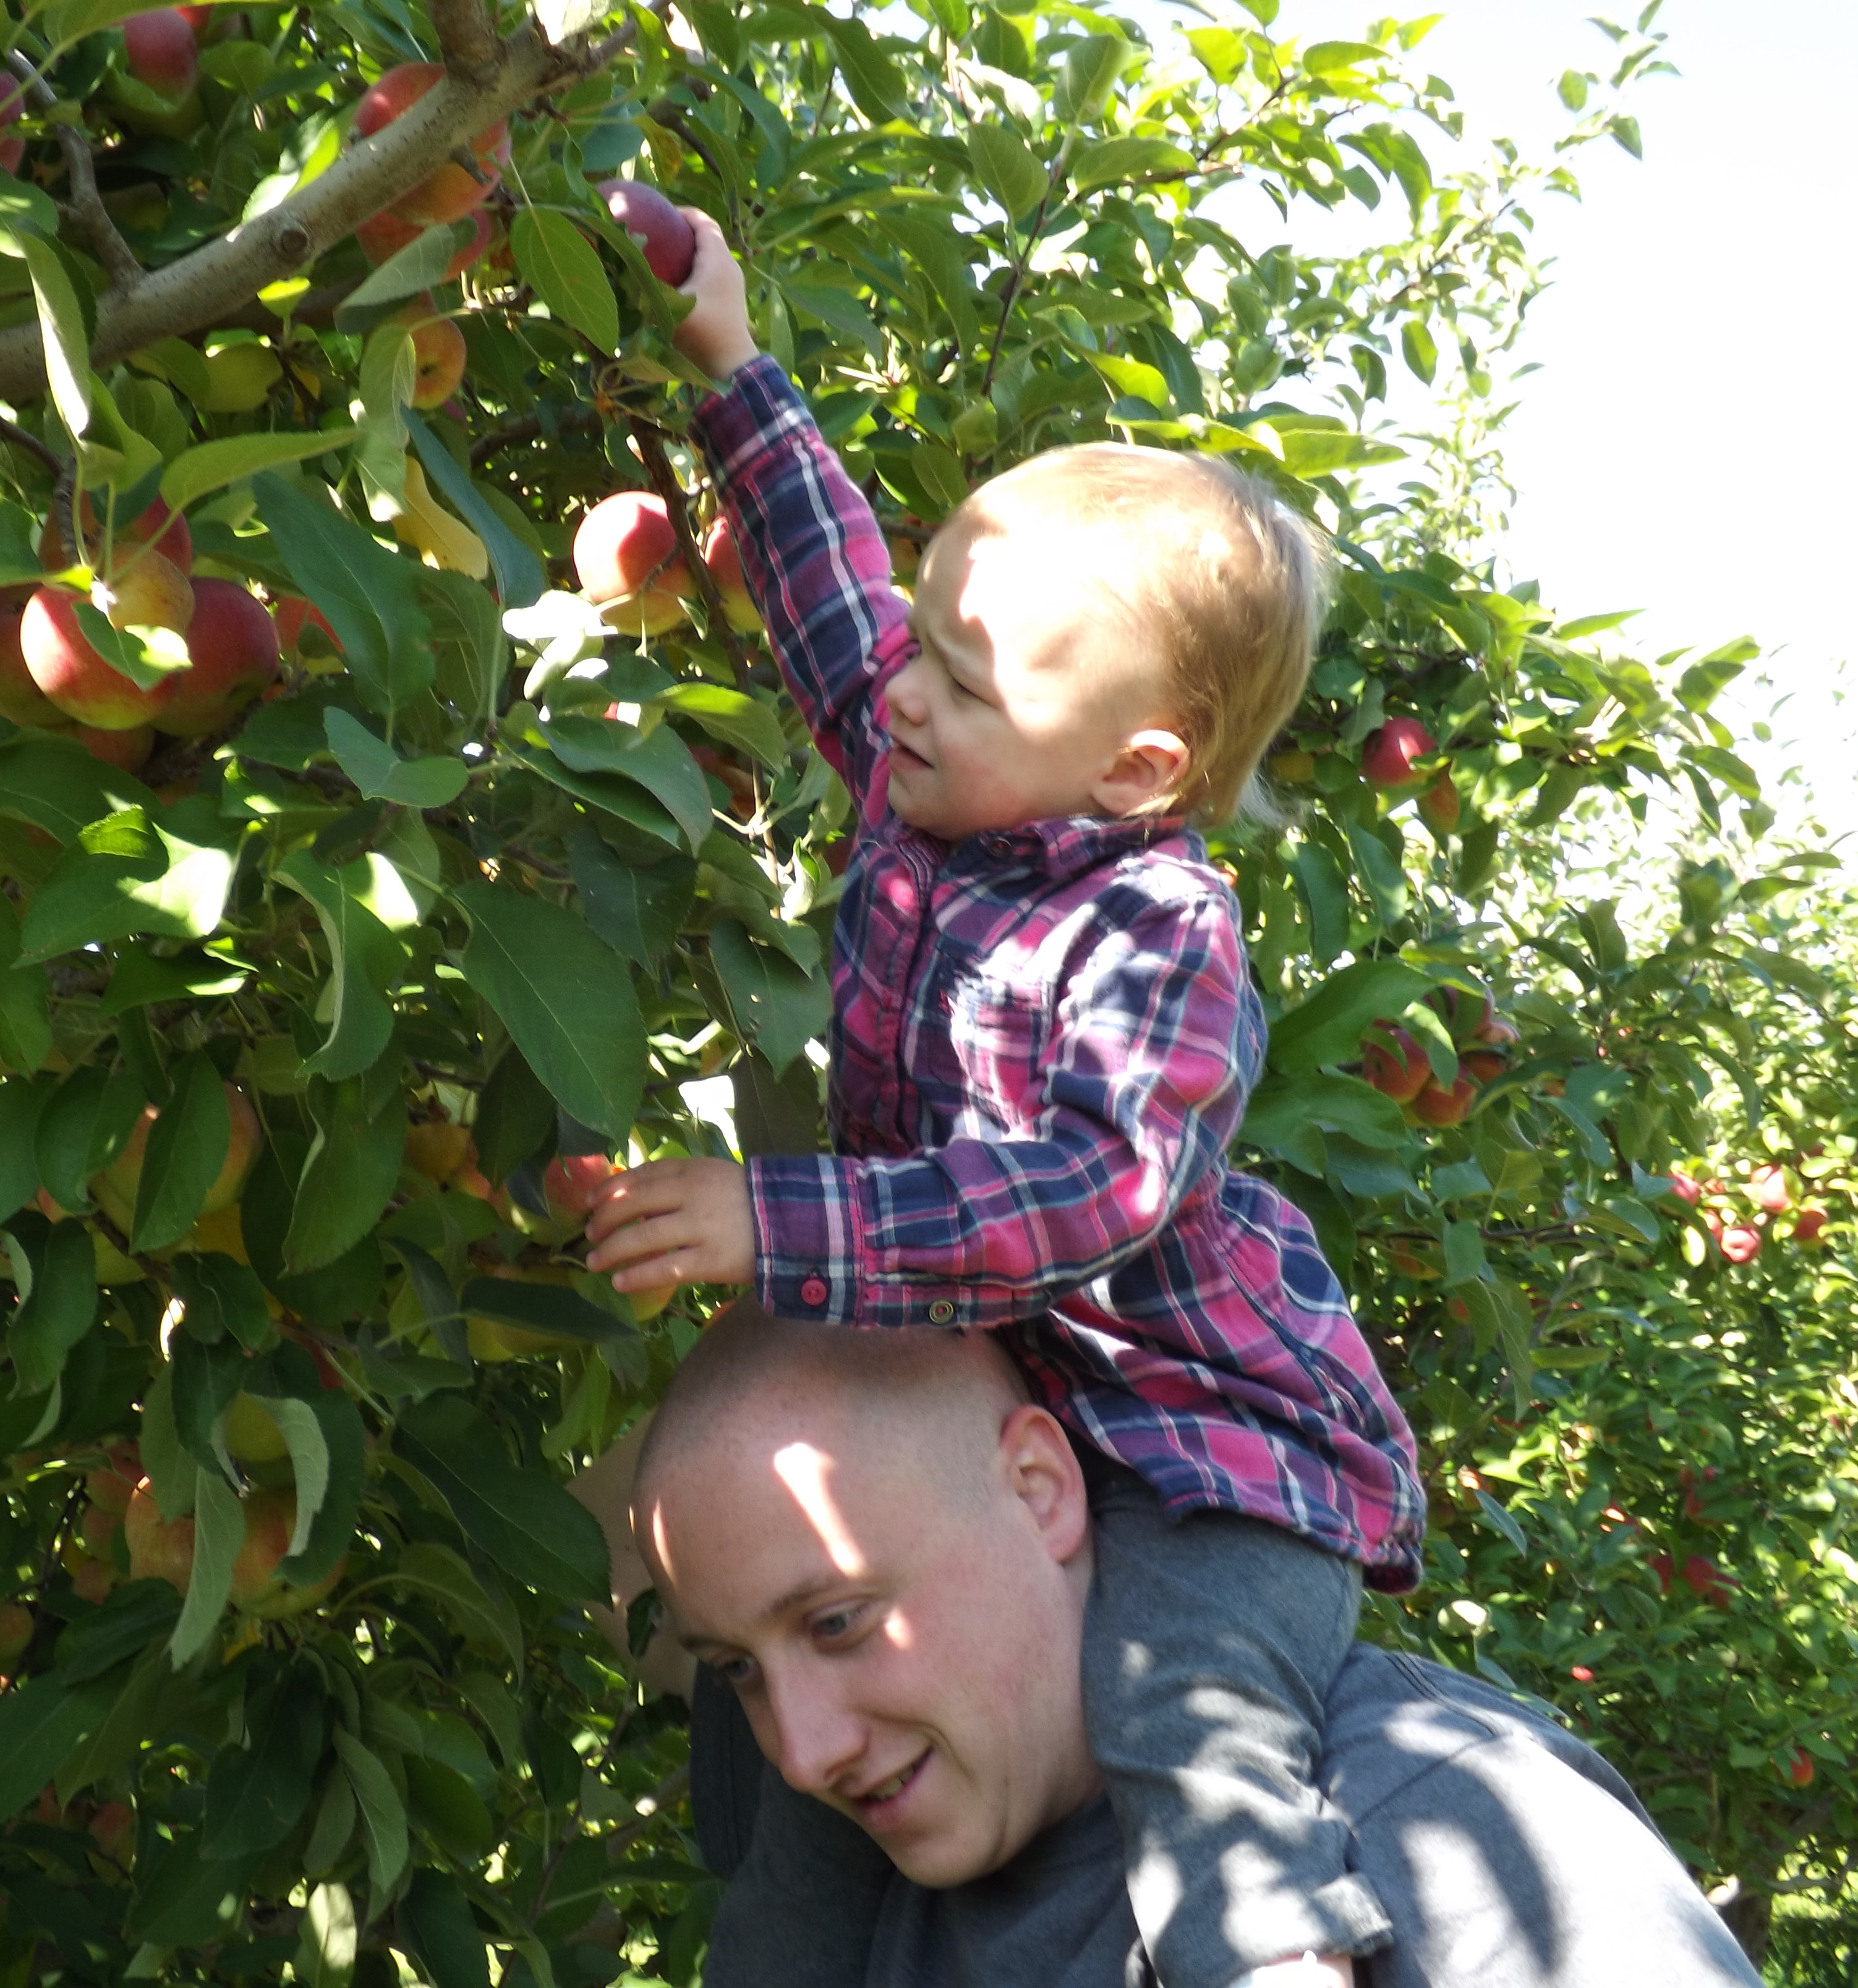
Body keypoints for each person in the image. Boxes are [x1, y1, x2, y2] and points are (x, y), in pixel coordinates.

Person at [583, 211, 1428, 1988]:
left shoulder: (1157, 927)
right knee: (789, 1842)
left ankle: (1284, 1970)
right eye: (930, 644)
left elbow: (1089, 1190)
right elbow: (832, 610)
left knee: (1190, 1737)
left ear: (1138, 768)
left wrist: (775, 1219)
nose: (903, 687)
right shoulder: (938, 776)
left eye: (964, 678)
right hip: (1002, 1434)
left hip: (1206, 1460)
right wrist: (733, 364)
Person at [630, 1304, 1761, 1988]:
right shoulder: (842, 1909)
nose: (803, 1752)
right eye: (740, 1671)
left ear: (1040, 1490)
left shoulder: (1452, 1832)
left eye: (838, 1623)